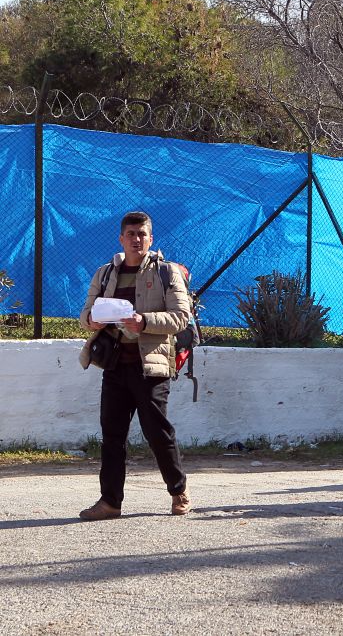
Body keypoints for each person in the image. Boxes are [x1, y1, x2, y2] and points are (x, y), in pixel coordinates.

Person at [77, 211, 192, 521]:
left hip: (150, 367)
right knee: (112, 435)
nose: (136, 239)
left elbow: (182, 316)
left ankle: (178, 491)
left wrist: (145, 322)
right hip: (114, 366)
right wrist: (93, 319)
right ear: (121, 239)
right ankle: (110, 502)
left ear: (150, 239)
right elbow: (85, 316)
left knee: (157, 432)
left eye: (142, 234)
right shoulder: (104, 274)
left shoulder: (167, 273)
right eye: (131, 234)